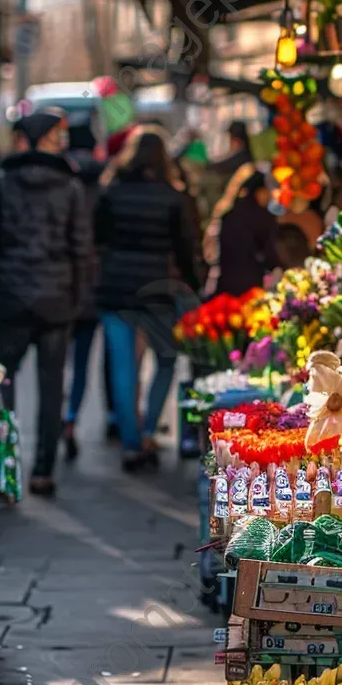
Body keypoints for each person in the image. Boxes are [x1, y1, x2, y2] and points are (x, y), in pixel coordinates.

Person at [0, 109, 92, 496]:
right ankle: (43, 471)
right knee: (50, 388)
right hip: (56, 301)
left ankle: (1, 468)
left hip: (8, 301)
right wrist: (76, 299)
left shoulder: (1, 181)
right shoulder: (70, 185)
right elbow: (81, 250)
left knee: (3, 383)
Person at [95, 130, 203, 470]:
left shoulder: (111, 191)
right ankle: (148, 428)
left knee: (124, 369)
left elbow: (97, 237)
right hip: (156, 290)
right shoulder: (172, 197)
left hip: (115, 288)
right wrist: (195, 284)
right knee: (166, 361)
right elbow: (185, 249)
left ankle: (131, 443)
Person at [61, 123, 106, 459]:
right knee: (83, 361)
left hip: (58, 285)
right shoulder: (103, 185)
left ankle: (58, 415)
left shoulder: (59, 180)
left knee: (55, 361)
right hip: (92, 285)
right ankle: (72, 418)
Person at [213, 168, 281, 297]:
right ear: (260, 191)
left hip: (226, 283)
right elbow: (270, 254)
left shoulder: (230, 214)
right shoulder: (262, 217)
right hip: (250, 286)